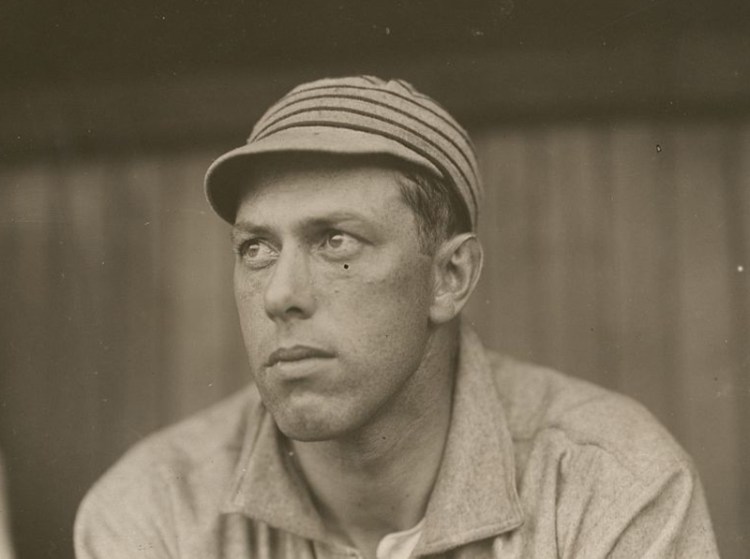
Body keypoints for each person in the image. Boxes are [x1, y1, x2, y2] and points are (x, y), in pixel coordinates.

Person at [74, 76, 719, 559]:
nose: (280, 294)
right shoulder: (154, 510)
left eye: (335, 242)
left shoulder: (610, 484)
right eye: (257, 249)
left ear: (450, 278)